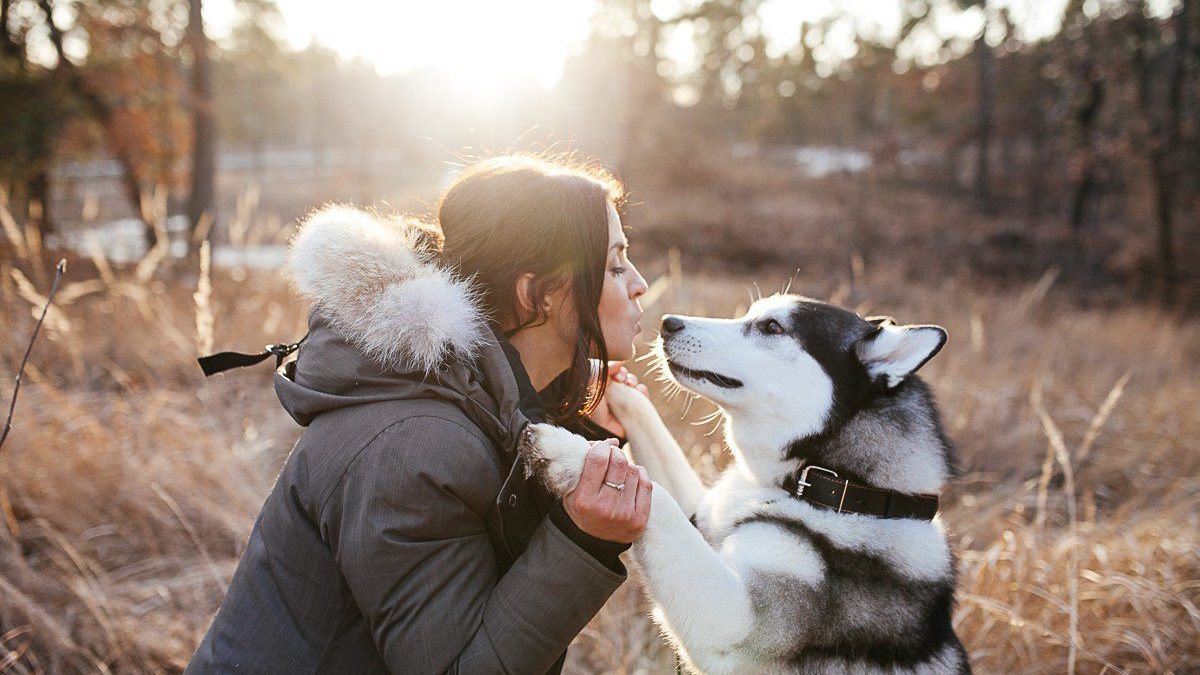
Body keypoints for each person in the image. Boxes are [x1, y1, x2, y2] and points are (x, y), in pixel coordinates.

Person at [186, 155, 653, 674]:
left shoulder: (455, 405)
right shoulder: (413, 447)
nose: (639, 284)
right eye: (614, 266)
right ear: (535, 295)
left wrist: (576, 424)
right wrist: (580, 539)